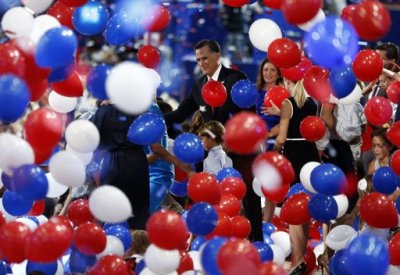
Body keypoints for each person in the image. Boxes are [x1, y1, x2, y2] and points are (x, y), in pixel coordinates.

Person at [164, 39, 262, 241]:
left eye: (205, 58)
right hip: (211, 156)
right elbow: (180, 114)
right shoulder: (199, 85)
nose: (201, 63)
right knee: (209, 201)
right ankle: (210, 244)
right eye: (198, 59)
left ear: (218, 56)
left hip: (241, 152)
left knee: (250, 199)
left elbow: (249, 116)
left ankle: (257, 243)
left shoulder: (236, 78)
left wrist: (232, 140)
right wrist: (150, 114)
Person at [274, 80, 320, 275]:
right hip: (310, 154)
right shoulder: (314, 103)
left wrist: (273, 151)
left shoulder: (287, 103)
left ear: (289, 81)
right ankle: (302, 257)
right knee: (305, 208)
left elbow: (281, 138)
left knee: (293, 208)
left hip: (293, 157)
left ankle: (298, 260)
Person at [90, 103, 150, 230]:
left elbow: (93, 143)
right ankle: (136, 246)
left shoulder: (102, 112)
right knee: (137, 212)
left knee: (109, 210)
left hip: (110, 164)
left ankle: (110, 243)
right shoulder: (139, 109)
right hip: (136, 163)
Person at [145, 102, 194, 214]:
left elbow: (157, 151)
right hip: (149, 175)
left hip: (157, 176)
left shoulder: (151, 111)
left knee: (148, 212)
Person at [255, 57, 283, 144]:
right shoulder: (256, 91)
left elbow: (290, 117)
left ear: (278, 74)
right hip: (257, 137)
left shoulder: (284, 92)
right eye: (265, 70)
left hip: (276, 137)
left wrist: (270, 134)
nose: (268, 73)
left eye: (272, 70)